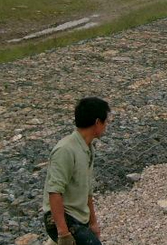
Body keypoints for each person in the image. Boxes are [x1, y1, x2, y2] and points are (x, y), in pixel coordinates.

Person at [42, 97, 110, 245]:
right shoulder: (65, 150)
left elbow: (87, 190)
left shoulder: (88, 148)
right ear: (97, 122)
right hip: (62, 218)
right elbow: (54, 192)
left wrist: (93, 223)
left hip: (79, 217)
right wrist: (63, 233)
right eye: (105, 122)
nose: (106, 126)